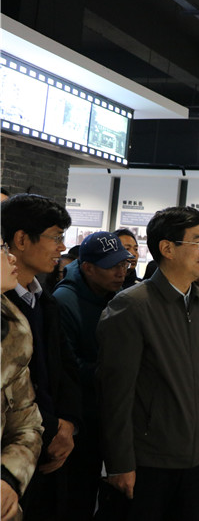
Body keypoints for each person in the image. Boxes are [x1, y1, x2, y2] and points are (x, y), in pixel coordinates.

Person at [97, 207, 199, 521]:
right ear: (167, 248)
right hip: (148, 462)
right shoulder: (131, 306)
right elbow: (115, 394)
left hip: (197, 461)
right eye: (197, 242)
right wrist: (119, 463)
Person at [1, 194, 82, 520]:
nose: (62, 248)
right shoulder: (7, 310)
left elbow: (66, 368)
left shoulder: (46, 302)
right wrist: (51, 427)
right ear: (21, 240)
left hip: (40, 446)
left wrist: (68, 425)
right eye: (56, 237)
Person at [53, 232, 132, 521]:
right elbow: (67, 365)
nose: (121, 272)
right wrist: (114, 372)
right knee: (77, 497)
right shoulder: (64, 301)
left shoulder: (119, 296)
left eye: (124, 264)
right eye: (113, 266)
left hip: (109, 412)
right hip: (82, 417)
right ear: (88, 268)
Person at [1, 236, 44, 521]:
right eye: (2, 249)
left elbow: (26, 423)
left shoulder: (13, 331)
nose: (11, 256)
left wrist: (8, 476)